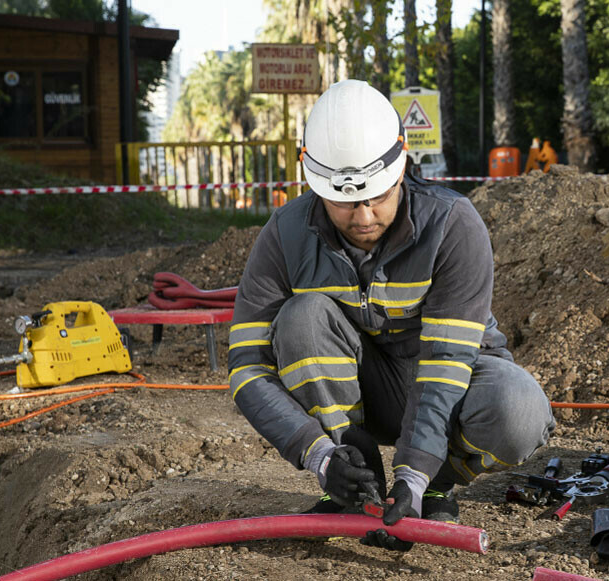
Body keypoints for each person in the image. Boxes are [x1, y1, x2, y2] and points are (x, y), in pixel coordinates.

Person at [227, 79, 555, 551]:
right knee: (302, 317)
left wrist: (416, 475)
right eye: (343, 201)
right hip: (361, 393)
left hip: (450, 385)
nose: (363, 217)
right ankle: (354, 481)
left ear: (401, 169)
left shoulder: (451, 225)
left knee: (520, 410)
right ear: (314, 183)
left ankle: (438, 481)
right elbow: (247, 368)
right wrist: (320, 456)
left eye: (378, 196)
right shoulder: (285, 235)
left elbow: (445, 364)